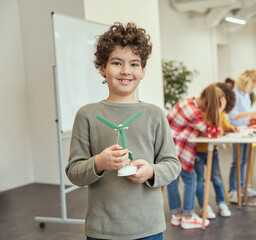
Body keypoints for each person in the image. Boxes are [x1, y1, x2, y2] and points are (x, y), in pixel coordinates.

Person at [66, 22, 181, 240]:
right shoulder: (87, 115)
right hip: (103, 229)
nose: (126, 71)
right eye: (117, 63)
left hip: (148, 227)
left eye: (134, 64)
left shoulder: (155, 114)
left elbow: (172, 165)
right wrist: (99, 162)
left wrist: (151, 171)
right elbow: (74, 172)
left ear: (143, 70)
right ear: (102, 68)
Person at [166, 83, 226, 229]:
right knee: (190, 179)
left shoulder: (187, 103)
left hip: (168, 148)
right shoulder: (194, 112)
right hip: (179, 149)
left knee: (172, 181)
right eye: (210, 107)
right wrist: (220, 110)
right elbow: (211, 132)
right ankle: (187, 216)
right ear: (206, 102)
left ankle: (176, 215)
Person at [194, 82, 240, 219]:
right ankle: (204, 206)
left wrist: (231, 128)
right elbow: (213, 130)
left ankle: (221, 203)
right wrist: (219, 112)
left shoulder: (220, 112)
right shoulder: (201, 112)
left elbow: (222, 125)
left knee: (217, 178)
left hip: (211, 151)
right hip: (197, 151)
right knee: (200, 180)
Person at [228, 69, 256, 203]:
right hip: (236, 132)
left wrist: (253, 118)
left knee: (244, 161)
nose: (252, 90)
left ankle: (242, 187)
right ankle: (233, 191)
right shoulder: (234, 94)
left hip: (246, 130)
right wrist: (250, 114)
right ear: (246, 82)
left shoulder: (246, 95)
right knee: (237, 161)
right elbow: (233, 115)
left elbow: (246, 112)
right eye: (252, 87)